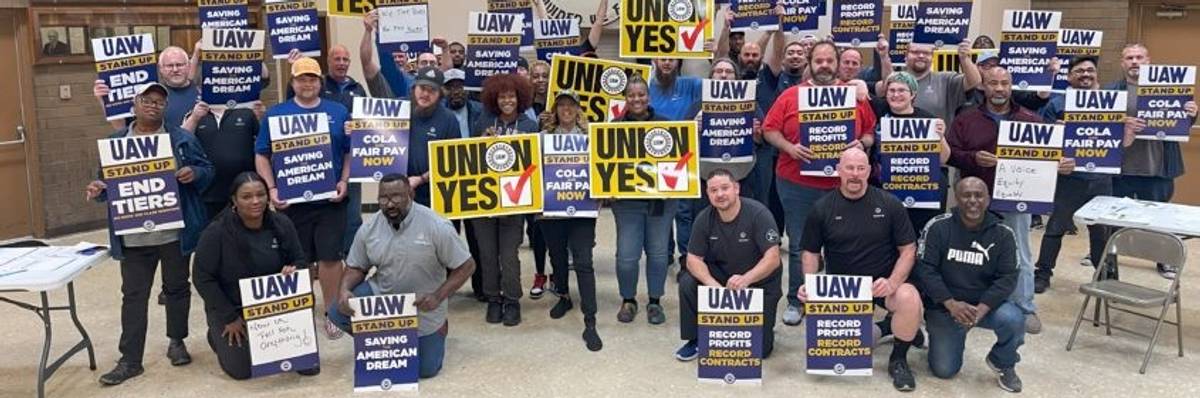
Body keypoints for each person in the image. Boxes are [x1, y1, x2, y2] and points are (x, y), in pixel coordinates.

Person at [85, 82, 214, 385]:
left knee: (177, 289)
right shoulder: (117, 141)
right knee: (133, 296)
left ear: (165, 107)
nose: (153, 105)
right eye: (147, 99)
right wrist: (99, 189)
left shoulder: (181, 139)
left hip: (173, 233)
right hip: (133, 236)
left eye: (159, 101)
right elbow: (106, 183)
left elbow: (207, 169)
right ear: (135, 102)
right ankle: (130, 359)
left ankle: (177, 341)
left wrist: (194, 173)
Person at [947, 66, 1074, 335]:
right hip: (975, 199)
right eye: (993, 83)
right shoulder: (965, 119)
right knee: (970, 253)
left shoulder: (1031, 119)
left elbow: (1047, 159)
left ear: (1011, 85)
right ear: (984, 86)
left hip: (1018, 200)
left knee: (1020, 254)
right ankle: (972, 304)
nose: (999, 88)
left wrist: (1059, 165)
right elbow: (950, 154)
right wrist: (973, 158)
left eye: (1004, 83)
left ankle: (1024, 306)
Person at [762, 39, 877, 327]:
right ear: (810, 65)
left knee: (845, 245)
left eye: (829, 60)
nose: (824, 65)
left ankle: (836, 301)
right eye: (819, 61)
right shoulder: (790, 95)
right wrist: (789, 147)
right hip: (795, 184)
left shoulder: (854, 97)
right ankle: (796, 300)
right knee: (801, 245)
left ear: (837, 63)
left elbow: (871, 133)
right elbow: (769, 130)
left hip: (842, 187)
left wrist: (860, 143)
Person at [797, 148, 921, 391]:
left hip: (881, 284)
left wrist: (893, 282)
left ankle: (899, 359)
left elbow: (908, 250)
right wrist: (810, 285)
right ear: (838, 171)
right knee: (841, 354)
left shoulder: (889, 203)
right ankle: (885, 327)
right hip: (843, 291)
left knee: (909, 298)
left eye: (861, 168)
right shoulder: (822, 208)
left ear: (869, 171)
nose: (855, 174)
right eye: (849, 168)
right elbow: (810, 252)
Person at [330, 173, 476, 379]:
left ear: (411, 193)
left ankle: (439, 327)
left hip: (424, 303)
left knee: (425, 370)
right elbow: (356, 267)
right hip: (383, 296)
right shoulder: (369, 228)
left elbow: (466, 266)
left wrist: (438, 296)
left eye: (396, 197)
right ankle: (382, 339)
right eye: (383, 198)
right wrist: (344, 290)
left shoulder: (437, 225)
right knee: (338, 311)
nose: (390, 204)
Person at [254, 58, 352, 340]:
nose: (307, 84)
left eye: (312, 79)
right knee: (300, 260)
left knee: (330, 257)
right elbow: (262, 154)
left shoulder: (338, 111)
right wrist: (271, 189)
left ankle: (332, 313)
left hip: (330, 201)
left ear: (320, 82)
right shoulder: (276, 114)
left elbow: (349, 151)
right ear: (292, 82)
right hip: (292, 202)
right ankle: (301, 313)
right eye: (301, 79)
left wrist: (343, 181)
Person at [192, 172, 318, 379]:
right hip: (232, 307)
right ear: (234, 200)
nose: (255, 201)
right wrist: (228, 317)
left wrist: (293, 269)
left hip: (274, 306)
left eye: (261, 194)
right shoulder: (216, 232)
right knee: (242, 372)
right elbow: (202, 277)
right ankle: (215, 335)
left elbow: (301, 261)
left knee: (307, 367)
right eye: (247, 196)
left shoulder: (282, 223)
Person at [915, 177, 1025, 392]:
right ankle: (945, 334)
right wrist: (950, 304)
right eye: (966, 195)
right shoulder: (938, 227)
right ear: (956, 198)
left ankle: (1003, 360)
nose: (972, 200)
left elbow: (1008, 277)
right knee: (944, 370)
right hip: (945, 307)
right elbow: (925, 270)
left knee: (1014, 319)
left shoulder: (1003, 234)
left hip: (984, 307)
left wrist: (982, 309)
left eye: (979, 195)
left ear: (988, 199)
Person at [1033, 56, 1128, 292]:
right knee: (1055, 228)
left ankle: (1107, 276)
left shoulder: (1111, 102)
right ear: (1069, 77)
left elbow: (1119, 142)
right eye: (1079, 71)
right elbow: (1044, 144)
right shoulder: (1057, 104)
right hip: (1069, 179)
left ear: (1096, 74)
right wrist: (1057, 152)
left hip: (1101, 179)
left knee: (1101, 232)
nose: (1085, 74)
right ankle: (1042, 274)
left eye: (1089, 70)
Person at [1105, 43, 1198, 279]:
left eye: (1139, 57)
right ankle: (1105, 258)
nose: (1134, 62)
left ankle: (1164, 261)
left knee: (1160, 221)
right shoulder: (1111, 92)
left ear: (1149, 61)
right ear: (1122, 62)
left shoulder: (1171, 90)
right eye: (1129, 57)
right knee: (1110, 218)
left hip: (1157, 168)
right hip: (1121, 169)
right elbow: (1099, 127)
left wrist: (1190, 112)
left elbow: (1182, 126)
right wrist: (1121, 123)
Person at [674, 169, 782, 361]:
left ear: (737, 188)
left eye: (725, 188)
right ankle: (696, 339)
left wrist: (746, 279)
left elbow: (773, 258)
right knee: (688, 281)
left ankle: (761, 327)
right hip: (723, 277)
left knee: (759, 351)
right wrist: (712, 285)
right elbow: (692, 259)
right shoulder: (704, 218)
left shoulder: (759, 214)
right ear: (708, 194)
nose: (720, 194)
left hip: (758, 283)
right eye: (713, 190)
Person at [471, 73, 540, 326]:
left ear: (519, 97)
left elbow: (534, 165)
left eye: (511, 95)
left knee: (509, 254)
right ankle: (493, 299)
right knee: (488, 254)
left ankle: (512, 299)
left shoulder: (530, 126)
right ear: (494, 99)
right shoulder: (483, 122)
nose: (507, 100)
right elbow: (472, 159)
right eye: (502, 96)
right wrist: (481, 143)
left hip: (515, 201)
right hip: (486, 200)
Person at [538, 89, 603, 350]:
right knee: (557, 258)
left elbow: (603, 167)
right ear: (555, 110)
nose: (566, 109)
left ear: (578, 109)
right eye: (561, 105)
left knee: (584, 262)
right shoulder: (542, 138)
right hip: (551, 210)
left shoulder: (591, 138)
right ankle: (563, 296)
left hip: (582, 209)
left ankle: (590, 318)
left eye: (571, 105)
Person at [611, 75, 675, 325]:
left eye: (641, 94)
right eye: (631, 95)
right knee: (627, 256)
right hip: (626, 203)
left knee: (658, 254)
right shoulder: (613, 128)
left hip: (661, 202)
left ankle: (655, 301)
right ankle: (628, 300)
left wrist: (677, 185)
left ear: (648, 96)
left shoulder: (667, 125)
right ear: (625, 98)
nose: (636, 99)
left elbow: (679, 163)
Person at [869, 71, 951, 233]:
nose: (896, 95)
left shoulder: (927, 119)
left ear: (913, 94)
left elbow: (944, 158)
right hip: (884, 191)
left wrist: (940, 137)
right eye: (891, 91)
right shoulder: (879, 112)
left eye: (901, 91)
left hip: (921, 192)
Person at [442, 68, 485, 299]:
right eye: (451, 86)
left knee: (477, 237)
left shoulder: (479, 110)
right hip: (448, 185)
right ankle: (449, 288)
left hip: (474, 183)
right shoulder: (439, 113)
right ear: (444, 90)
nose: (456, 91)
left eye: (459, 86)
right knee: (448, 238)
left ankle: (481, 287)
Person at [881, 40, 981, 126]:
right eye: (915, 52)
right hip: (897, 145)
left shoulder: (945, 79)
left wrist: (964, 58)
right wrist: (884, 56)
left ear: (932, 57)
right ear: (906, 56)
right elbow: (884, 85)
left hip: (936, 145)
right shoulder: (895, 81)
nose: (921, 56)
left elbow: (975, 81)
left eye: (926, 53)